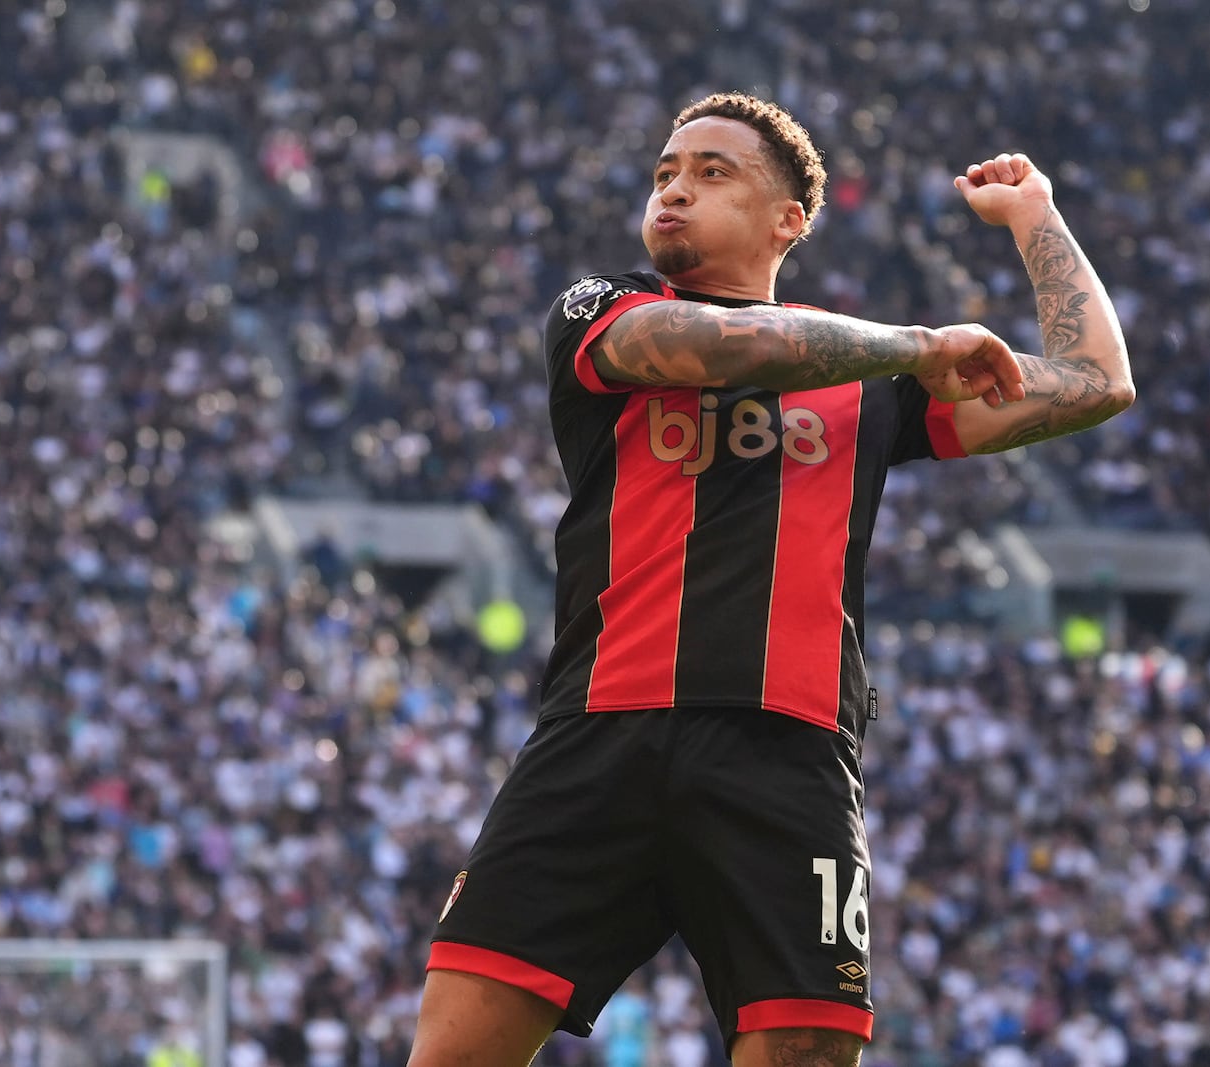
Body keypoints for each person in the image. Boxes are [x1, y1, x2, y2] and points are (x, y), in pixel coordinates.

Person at [408, 92, 1134, 1067]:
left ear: (788, 220)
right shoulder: (599, 313)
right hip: (597, 739)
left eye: (712, 173)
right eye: (665, 171)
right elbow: (730, 348)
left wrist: (1034, 217)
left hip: (788, 762)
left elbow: (1096, 381)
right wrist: (918, 345)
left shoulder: (872, 387)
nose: (673, 190)